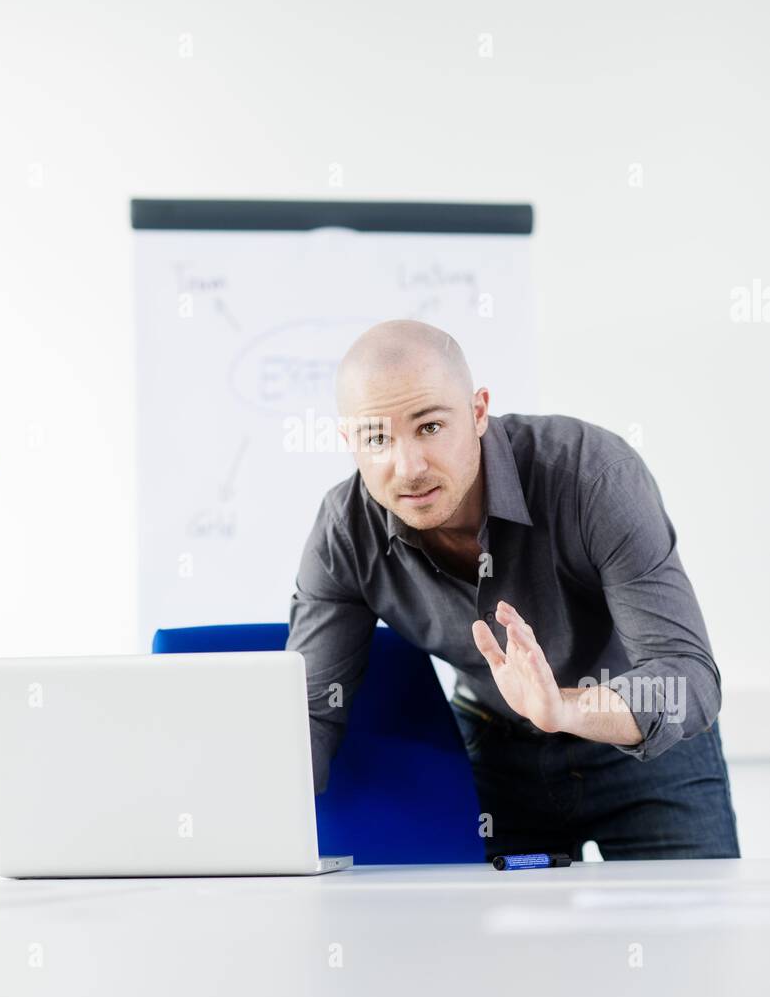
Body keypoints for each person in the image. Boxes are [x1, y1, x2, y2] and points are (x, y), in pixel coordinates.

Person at [286, 319, 739, 860]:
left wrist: (568, 708)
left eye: (429, 427)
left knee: (687, 939)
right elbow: (311, 715)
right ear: (349, 441)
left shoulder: (593, 478)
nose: (407, 467)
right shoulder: (344, 532)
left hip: (642, 742)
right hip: (495, 753)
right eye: (377, 437)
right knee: (502, 942)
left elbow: (688, 676)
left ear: (478, 411)